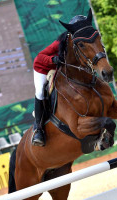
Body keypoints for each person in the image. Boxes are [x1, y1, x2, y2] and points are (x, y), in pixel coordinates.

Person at [32, 15, 89, 147]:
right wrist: (52, 60)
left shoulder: (80, 43)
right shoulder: (60, 42)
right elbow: (40, 57)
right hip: (43, 68)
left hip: (59, 69)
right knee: (40, 92)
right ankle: (38, 130)